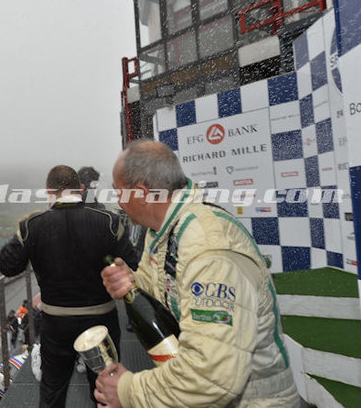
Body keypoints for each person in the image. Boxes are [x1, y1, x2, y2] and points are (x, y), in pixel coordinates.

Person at [95, 140, 300, 407]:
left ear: (142, 194)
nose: (118, 202)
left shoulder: (207, 246)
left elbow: (212, 376)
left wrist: (128, 391)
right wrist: (132, 283)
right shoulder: (164, 229)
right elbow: (169, 289)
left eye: (118, 192)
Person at [0, 165, 138, 407]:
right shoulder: (108, 221)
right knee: (106, 392)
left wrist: (27, 238)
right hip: (101, 320)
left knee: (52, 391)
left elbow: (7, 266)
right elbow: (132, 264)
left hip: (56, 322)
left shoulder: (33, 225)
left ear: (48, 190)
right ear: (80, 189)